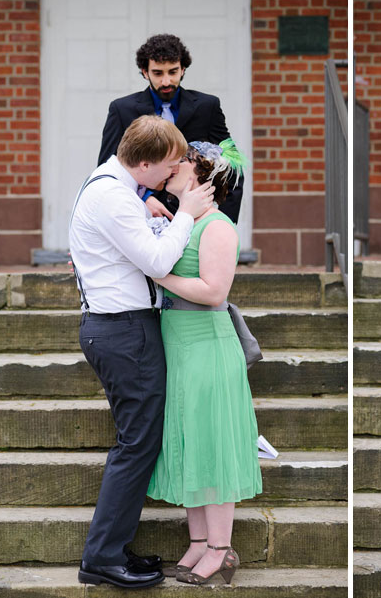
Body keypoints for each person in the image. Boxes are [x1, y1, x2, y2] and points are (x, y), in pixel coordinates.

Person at [70, 115, 216, 589]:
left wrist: (153, 219)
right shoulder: (113, 196)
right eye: (170, 164)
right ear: (146, 163)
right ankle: (103, 557)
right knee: (136, 446)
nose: (173, 173)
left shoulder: (115, 187)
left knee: (137, 443)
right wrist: (189, 212)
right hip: (123, 332)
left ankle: (113, 550)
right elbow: (156, 263)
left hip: (120, 328)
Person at [146, 139, 262, 586]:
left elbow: (215, 292)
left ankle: (219, 549)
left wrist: (160, 275)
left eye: (184, 162)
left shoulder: (217, 227)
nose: (173, 166)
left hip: (207, 346)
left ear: (202, 176)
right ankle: (197, 542)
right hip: (178, 344)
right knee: (191, 441)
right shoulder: (184, 221)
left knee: (213, 446)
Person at [97, 33, 244, 223]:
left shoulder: (207, 107)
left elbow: (233, 164)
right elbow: (108, 169)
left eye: (173, 72)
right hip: (141, 218)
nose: (166, 81)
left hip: (196, 217)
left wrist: (224, 222)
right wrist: (143, 200)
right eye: (158, 73)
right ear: (144, 72)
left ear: (183, 69)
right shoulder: (121, 109)